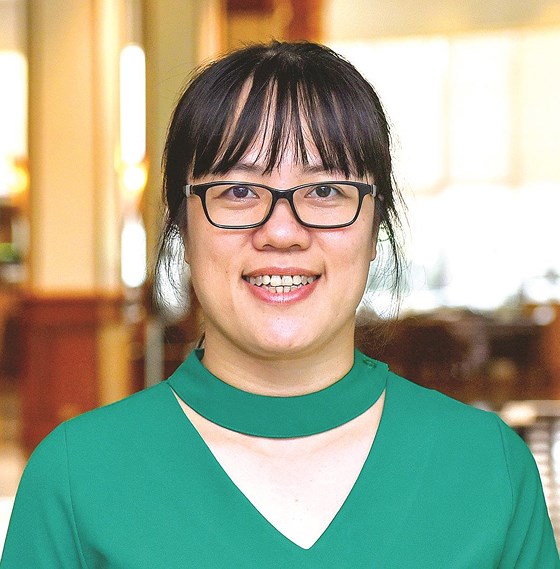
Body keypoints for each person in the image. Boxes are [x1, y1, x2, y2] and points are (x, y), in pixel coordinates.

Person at [1, 41, 558, 568]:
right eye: (239, 191)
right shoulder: (75, 477)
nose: (282, 232)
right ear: (182, 228)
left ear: (376, 226)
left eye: (325, 191)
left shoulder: (489, 467)